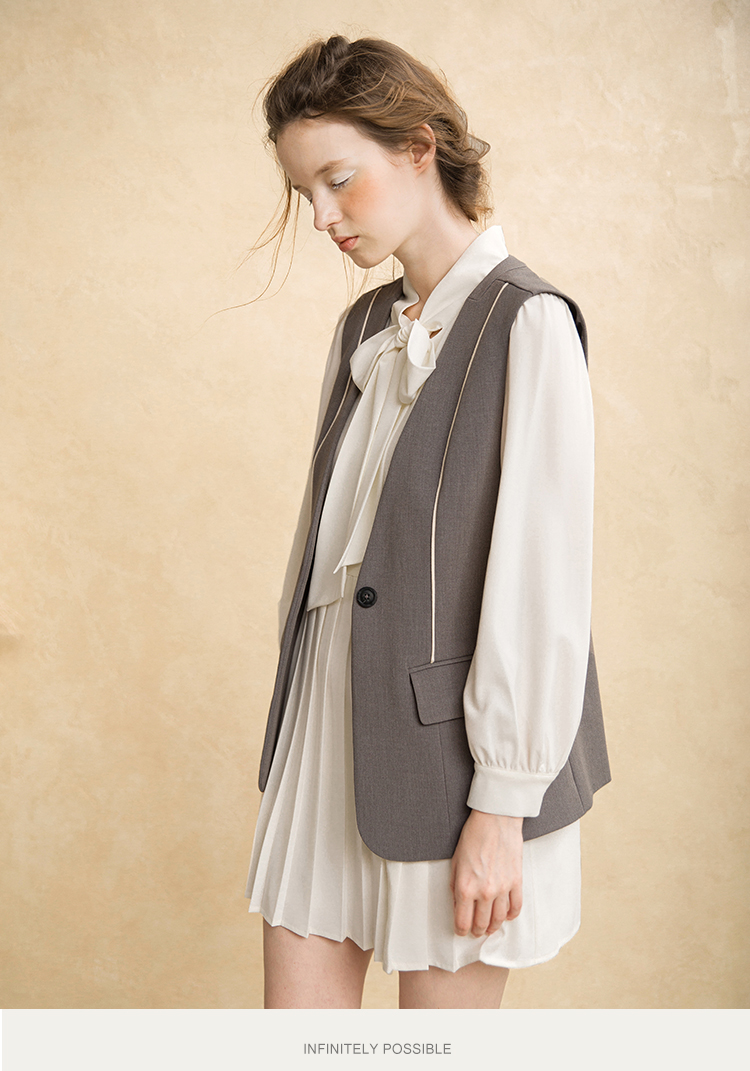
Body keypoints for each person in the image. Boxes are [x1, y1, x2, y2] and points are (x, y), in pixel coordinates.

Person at [244, 34, 610, 1010]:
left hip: (461, 759)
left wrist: (503, 805)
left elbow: (540, 583)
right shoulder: (363, 329)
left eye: (337, 181)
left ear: (418, 148)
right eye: (304, 193)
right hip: (328, 730)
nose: (322, 217)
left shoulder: (528, 321)